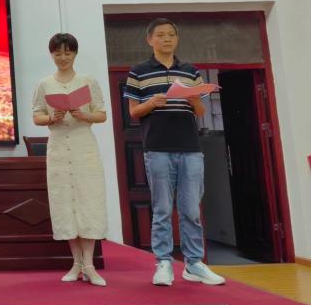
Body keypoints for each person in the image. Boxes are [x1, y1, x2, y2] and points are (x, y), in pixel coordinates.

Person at [125, 18, 225, 287]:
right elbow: (134, 112)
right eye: (160, 35)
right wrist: (151, 103)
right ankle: (163, 262)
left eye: (171, 34)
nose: (166, 39)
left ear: (177, 39)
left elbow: (201, 112)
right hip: (157, 147)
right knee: (162, 209)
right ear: (150, 40)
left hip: (190, 147)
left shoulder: (190, 71)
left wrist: (192, 99)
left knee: (191, 209)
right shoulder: (138, 72)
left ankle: (194, 264)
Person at [31, 33, 108, 286]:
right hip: (58, 149)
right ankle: (76, 263)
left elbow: (101, 114)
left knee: (88, 201)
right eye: (58, 53)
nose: (63, 58)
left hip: (84, 146)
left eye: (67, 53)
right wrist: (51, 118)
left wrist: (84, 115)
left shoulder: (87, 81)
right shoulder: (44, 84)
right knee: (65, 202)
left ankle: (90, 265)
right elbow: (37, 116)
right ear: (51, 55)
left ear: (75, 53)